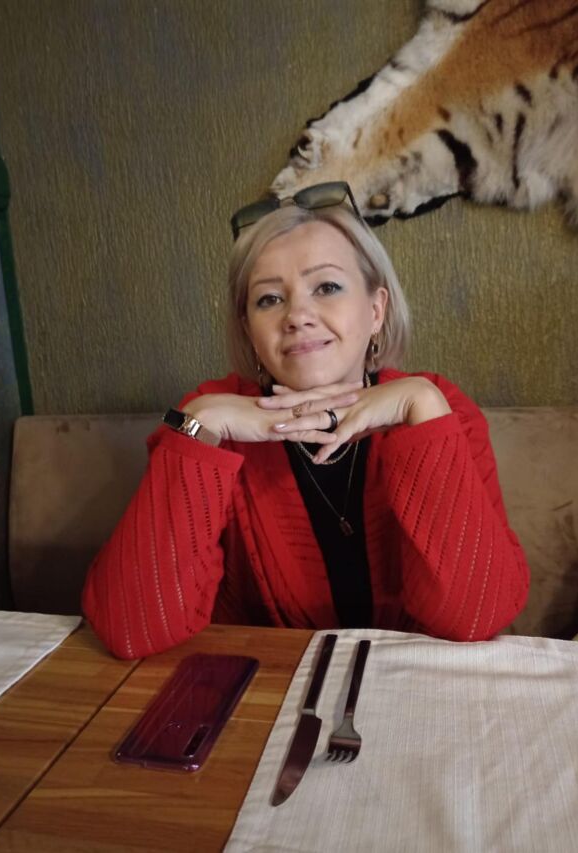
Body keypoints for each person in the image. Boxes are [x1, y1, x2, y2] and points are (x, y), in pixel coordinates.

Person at [82, 182, 529, 659]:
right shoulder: (208, 422)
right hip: (265, 691)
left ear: (376, 310)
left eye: (327, 287)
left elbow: (475, 617)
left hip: (414, 688)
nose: (297, 315)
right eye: (269, 299)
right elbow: (130, 629)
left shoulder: (440, 409)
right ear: (249, 331)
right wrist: (200, 420)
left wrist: (422, 407)